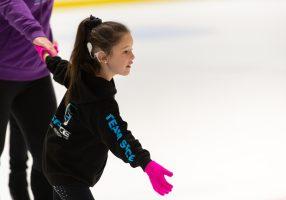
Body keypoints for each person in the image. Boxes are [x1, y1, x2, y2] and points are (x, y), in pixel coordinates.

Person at [36, 15, 174, 199]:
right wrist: (146, 164)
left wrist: (47, 55)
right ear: (102, 57)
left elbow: (59, 67)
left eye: (131, 49)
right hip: (68, 175)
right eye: (125, 51)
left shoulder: (80, 74)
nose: (132, 57)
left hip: (58, 164)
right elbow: (119, 136)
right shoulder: (100, 103)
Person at [0, 0, 58, 199]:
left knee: (49, 157)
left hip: (36, 74)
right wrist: (36, 33)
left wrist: (47, 38)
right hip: (1, 73)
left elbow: (40, 11)